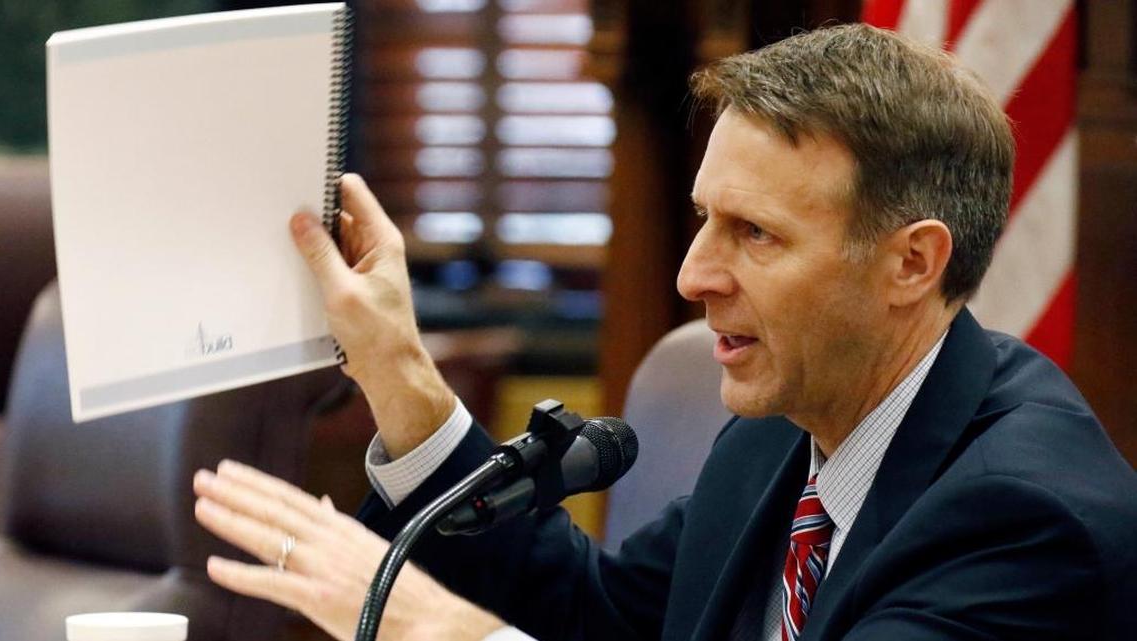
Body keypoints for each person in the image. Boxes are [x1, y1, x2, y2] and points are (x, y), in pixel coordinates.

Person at [192, 23, 1137, 641]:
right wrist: (397, 369)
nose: (693, 275)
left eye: (755, 233)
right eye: (703, 219)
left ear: (912, 263)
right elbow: (597, 619)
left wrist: (439, 629)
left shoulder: (1028, 520)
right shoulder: (784, 429)